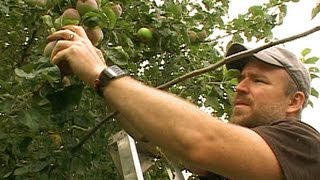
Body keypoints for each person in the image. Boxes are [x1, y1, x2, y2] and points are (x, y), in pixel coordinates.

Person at [47, 25, 320, 180]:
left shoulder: (304, 146)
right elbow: (155, 136)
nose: (240, 87)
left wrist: (100, 73)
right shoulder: (234, 166)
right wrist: (99, 73)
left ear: (294, 102)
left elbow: (201, 142)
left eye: (258, 81)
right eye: (242, 78)